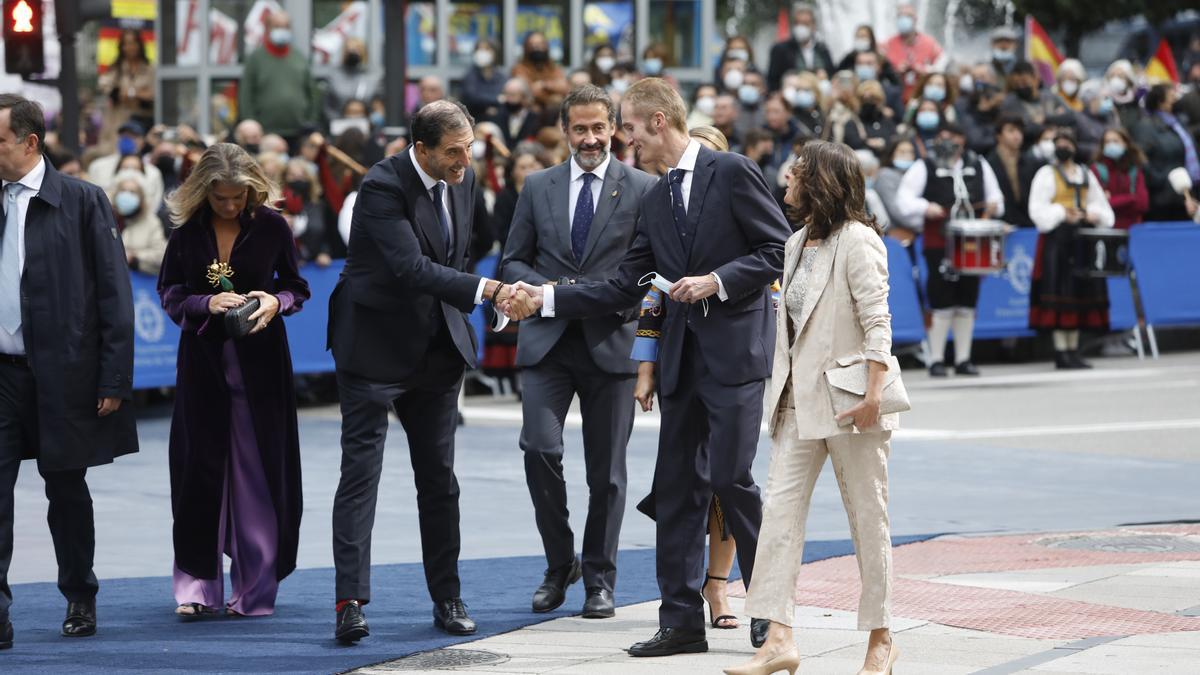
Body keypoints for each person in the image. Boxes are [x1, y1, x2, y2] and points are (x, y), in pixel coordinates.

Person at [501, 77, 790, 657]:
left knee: (732, 479)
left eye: (628, 128)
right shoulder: (654, 199)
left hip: (734, 356)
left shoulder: (730, 170)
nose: (623, 141)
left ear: (659, 121)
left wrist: (717, 281)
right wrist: (545, 299)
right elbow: (620, 286)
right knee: (677, 489)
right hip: (681, 360)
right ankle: (681, 621)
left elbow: (778, 248)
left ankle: (769, 609)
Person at [328, 100, 515, 644]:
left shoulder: (464, 175)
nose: (464, 159)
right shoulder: (381, 186)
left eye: (468, 147)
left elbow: (469, 246)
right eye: (453, 151)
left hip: (437, 350)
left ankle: (447, 595)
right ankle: (349, 602)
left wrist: (488, 290)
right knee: (361, 478)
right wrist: (488, 292)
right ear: (421, 148)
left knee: (440, 483)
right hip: (373, 349)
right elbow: (410, 268)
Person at [726, 139, 899, 675]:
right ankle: (779, 638)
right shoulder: (796, 241)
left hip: (852, 404)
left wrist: (875, 393)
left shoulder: (859, 240)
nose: (786, 182)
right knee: (778, 514)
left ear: (820, 180)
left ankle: (881, 641)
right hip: (797, 405)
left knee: (868, 520)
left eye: (796, 174)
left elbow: (877, 320)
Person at [498, 86, 657, 619]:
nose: (589, 139)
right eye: (579, 129)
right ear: (564, 131)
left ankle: (599, 579)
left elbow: (640, 276)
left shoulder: (642, 188)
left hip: (612, 343)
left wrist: (561, 294)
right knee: (539, 449)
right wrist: (529, 290)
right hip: (547, 344)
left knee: (607, 474)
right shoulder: (537, 186)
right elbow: (513, 260)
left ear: (614, 127)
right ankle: (559, 560)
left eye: (598, 128)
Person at [0, 94, 138, 648]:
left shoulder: (83, 201)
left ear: (30, 143)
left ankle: (80, 593)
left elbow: (114, 294)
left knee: (66, 491)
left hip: (65, 372)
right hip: (3, 375)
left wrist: (113, 378)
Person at [157, 142, 309, 618]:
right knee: (197, 472)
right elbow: (171, 291)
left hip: (262, 369)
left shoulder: (271, 226)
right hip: (203, 366)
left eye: (237, 196)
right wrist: (206, 304)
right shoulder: (186, 233)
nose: (229, 205)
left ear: (252, 190)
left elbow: (296, 287)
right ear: (203, 192)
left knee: (261, 475)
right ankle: (197, 590)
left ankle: (255, 589)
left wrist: (274, 302)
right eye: (220, 197)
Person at [895, 122, 1004, 376]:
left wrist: (991, 208)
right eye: (943, 136)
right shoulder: (926, 165)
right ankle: (936, 359)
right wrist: (925, 207)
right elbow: (904, 200)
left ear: (962, 139)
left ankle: (964, 358)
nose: (948, 141)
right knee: (941, 298)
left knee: (968, 298)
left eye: (953, 136)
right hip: (940, 241)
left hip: (971, 242)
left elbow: (997, 198)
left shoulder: (978, 164)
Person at [1027, 130, 1115, 369]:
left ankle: (1073, 349)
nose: (1063, 147)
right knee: (1058, 291)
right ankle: (1060, 350)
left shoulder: (1085, 174)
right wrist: (1061, 213)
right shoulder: (1046, 174)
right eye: (1059, 143)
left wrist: (1091, 214)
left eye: (1067, 142)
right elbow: (1037, 210)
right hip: (1057, 241)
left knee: (1078, 293)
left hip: (1081, 240)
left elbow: (1102, 207)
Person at [238, 10, 320, 148]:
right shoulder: (256, 59)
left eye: (285, 26)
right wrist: (252, 125)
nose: (282, 30)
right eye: (277, 26)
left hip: (298, 134)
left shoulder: (299, 58)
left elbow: (312, 92)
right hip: (265, 134)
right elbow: (246, 95)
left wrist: (309, 121)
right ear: (268, 29)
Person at [1133, 84, 1199, 222]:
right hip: (1163, 200)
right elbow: (1140, 158)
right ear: (1160, 102)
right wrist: (1164, 180)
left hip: (1186, 195)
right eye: (1172, 96)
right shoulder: (1146, 126)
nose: (1177, 99)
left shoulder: (1179, 124)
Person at [97, 29, 155, 146]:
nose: (130, 47)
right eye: (126, 44)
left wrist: (131, 93)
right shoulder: (116, 69)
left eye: (133, 43)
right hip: (118, 120)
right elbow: (105, 86)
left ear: (139, 45)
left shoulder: (149, 68)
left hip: (142, 120)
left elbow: (152, 94)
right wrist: (121, 93)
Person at [986, 114, 1042, 230]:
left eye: (1019, 131)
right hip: (1000, 225)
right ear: (999, 136)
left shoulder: (1031, 163)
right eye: (1011, 131)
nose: (1017, 135)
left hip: (1028, 224)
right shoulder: (988, 164)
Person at [107, 168, 167, 275]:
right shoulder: (106, 218)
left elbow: (161, 254)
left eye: (132, 192)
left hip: (137, 278)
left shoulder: (151, 222)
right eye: (123, 190)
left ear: (141, 197)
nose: (126, 195)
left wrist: (134, 256)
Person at [882, 3, 944, 101]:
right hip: (896, 100)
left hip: (923, 101)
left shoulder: (930, 43)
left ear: (915, 19)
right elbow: (881, 73)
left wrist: (921, 70)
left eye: (908, 16)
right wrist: (895, 72)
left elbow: (941, 70)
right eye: (900, 16)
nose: (903, 19)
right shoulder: (887, 45)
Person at [766, 4, 835, 92]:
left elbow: (832, 75)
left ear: (813, 25)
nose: (801, 27)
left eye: (806, 24)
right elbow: (772, 82)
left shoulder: (822, 49)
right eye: (798, 23)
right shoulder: (780, 50)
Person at [1090, 127, 1148, 230]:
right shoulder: (1096, 170)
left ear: (1125, 143)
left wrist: (1112, 200)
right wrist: (1131, 198)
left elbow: (1142, 204)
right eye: (1107, 142)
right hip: (1106, 228)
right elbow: (1098, 205)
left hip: (1133, 229)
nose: (1111, 145)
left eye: (1115, 141)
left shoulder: (1135, 169)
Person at [493, 144, 550, 247]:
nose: (529, 171)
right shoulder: (505, 197)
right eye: (523, 168)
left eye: (532, 166)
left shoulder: (552, 192)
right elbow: (502, 233)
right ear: (513, 172)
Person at [512, 32, 569, 119]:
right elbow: (530, 91)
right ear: (526, 48)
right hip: (530, 111)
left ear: (546, 46)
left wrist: (543, 85)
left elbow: (564, 87)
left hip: (555, 113)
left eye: (540, 44)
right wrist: (552, 97)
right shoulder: (519, 68)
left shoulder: (553, 66)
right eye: (532, 44)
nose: (536, 47)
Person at [324, 38, 382, 124]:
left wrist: (373, 121)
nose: (353, 52)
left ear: (364, 52)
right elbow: (328, 106)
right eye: (350, 49)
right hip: (338, 126)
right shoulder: (334, 76)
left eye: (357, 49)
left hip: (367, 127)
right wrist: (335, 122)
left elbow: (378, 106)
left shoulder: (373, 77)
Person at [461, 39, 508, 121]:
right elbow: (472, 98)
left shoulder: (501, 77)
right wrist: (496, 100)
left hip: (497, 121)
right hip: (475, 120)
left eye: (486, 49)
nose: (482, 52)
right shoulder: (469, 76)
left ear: (494, 53)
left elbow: (505, 98)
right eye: (479, 49)